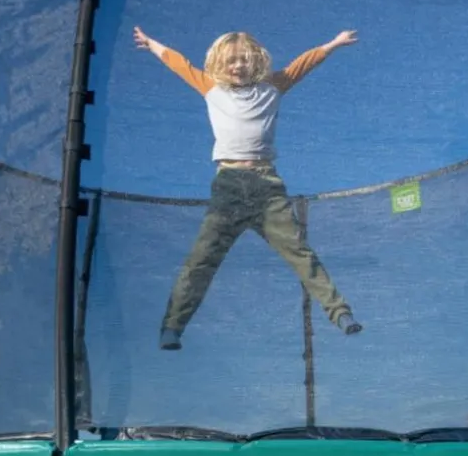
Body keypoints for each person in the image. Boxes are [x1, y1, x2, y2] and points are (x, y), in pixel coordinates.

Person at [133, 25, 363, 349]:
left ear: (255, 61)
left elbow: (304, 63)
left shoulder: (273, 87)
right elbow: (179, 63)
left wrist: (334, 44)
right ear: (220, 64)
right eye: (231, 61)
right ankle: (172, 327)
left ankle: (340, 312)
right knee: (201, 259)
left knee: (299, 251)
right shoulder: (211, 87)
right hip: (228, 185)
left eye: (243, 59)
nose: (237, 66)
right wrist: (152, 43)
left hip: (266, 186)